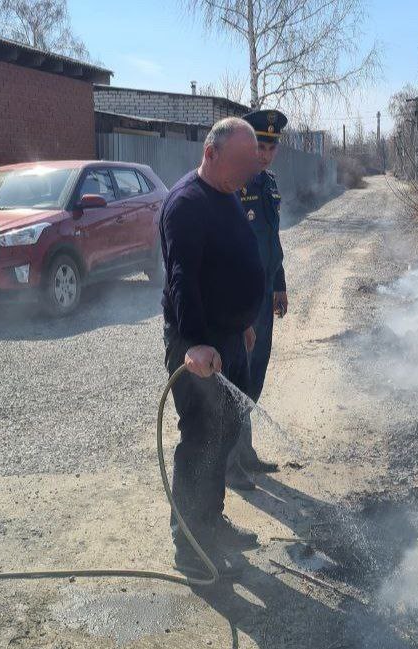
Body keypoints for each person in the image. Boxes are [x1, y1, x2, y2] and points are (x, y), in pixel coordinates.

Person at [159, 117, 266, 570]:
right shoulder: (187, 204)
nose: (249, 171)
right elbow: (183, 280)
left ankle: (212, 520)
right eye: (241, 161)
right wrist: (198, 343)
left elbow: (229, 266)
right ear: (211, 153)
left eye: (252, 162)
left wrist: (241, 321)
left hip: (228, 338)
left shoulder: (225, 194)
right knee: (200, 440)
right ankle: (191, 545)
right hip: (198, 347)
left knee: (223, 436)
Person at [227, 108, 290, 491]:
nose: (265, 154)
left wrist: (279, 284)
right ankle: (229, 465)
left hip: (265, 297)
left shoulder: (267, 184)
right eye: (260, 145)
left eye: (271, 147)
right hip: (242, 302)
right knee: (235, 380)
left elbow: (272, 241)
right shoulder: (233, 185)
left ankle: (244, 453)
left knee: (255, 376)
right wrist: (239, 312)